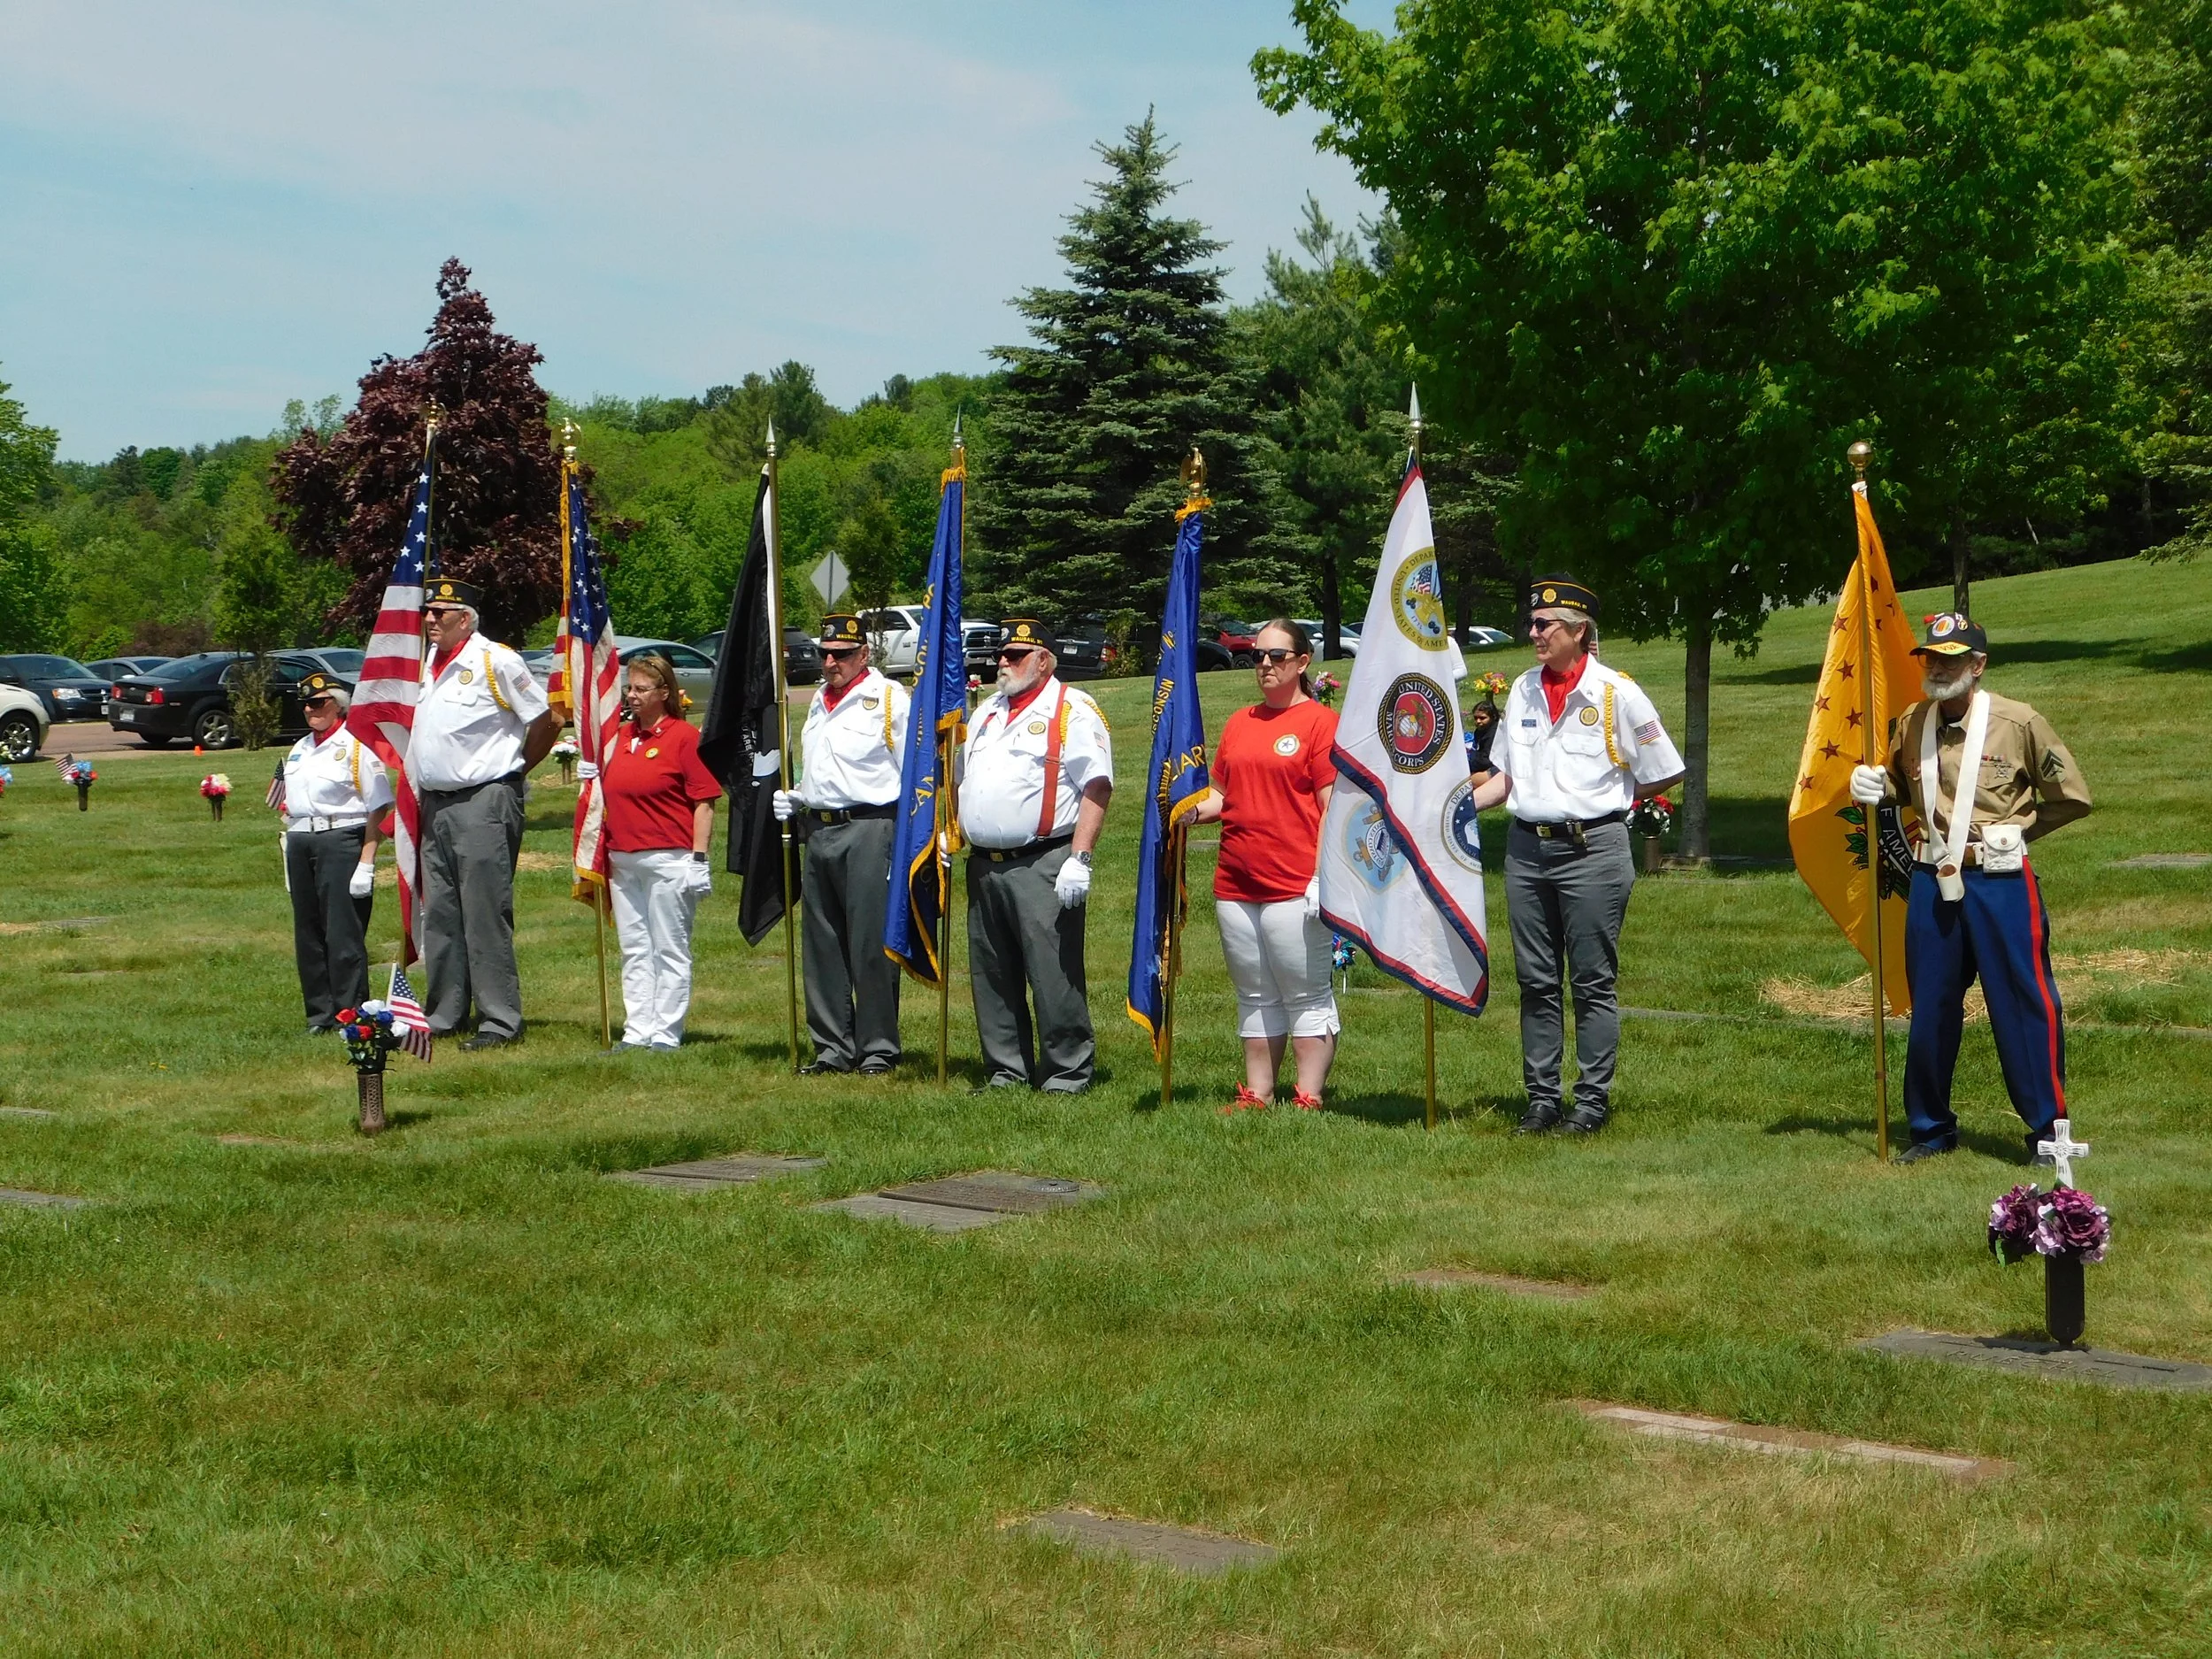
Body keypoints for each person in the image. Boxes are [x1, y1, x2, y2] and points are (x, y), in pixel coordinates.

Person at [1850, 613, 2093, 1165]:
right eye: (1931, 658)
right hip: (1931, 877)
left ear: (1978, 666)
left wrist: (2022, 829)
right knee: (1930, 1004)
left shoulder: (2018, 722)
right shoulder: (1911, 721)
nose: (1939, 668)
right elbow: (1898, 784)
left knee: (2022, 1000)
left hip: (2001, 881)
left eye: (1953, 659)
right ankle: (1930, 1129)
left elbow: (2072, 796)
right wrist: (1875, 786)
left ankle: (2046, 1133)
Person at [1469, 576, 1684, 1134]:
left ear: (1578, 631)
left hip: (1593, 851)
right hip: (1526, 852)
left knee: (1591, 981)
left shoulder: (1617, 693)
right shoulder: (1521, 690)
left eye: (1545, 625)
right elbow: (1504, 777)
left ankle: (1591, 1103)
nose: (1533, 632)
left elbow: (1663, 770)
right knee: (1536, 980)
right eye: (1533, 624)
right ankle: (1541, 1099)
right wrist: (1456, 807)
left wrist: (1597, 806)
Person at [956, 618, 1113, 1093]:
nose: (1004, 662)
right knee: (992, 971)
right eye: (1002, 655)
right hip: (984, 863)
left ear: (1044, 660)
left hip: (1043, 861)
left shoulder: (1073, 710)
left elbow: (1097, 786)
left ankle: (1067, 1070)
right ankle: (1007, 1069)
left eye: (1016, 656)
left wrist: (1079, 858)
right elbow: (962, 779)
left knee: (1052, 972)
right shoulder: (985, 712)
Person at [1190, 618, 1340, 1112]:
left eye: (1277, 656)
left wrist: (1323, 875)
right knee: (1254, 992)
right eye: (1258, 656)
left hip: (1295, 881)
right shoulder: (1239, 722)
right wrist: (1187, 811)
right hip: (1236, 880)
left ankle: (1308, 1095)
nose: (1266, 665)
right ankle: (1258, 1093)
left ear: (1302, 662)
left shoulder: (1320, 722)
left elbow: (1330, 807)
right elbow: (1222, 795)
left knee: (1304, 993)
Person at [409, 576, 557, 1050]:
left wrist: (512, 771)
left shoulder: (496, 660)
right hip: (436, 803)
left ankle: (499, 1019)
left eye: (440, 613)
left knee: (484, 912)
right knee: (442, 914)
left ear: (465, 619)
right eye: (428, 612)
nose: (430, 620)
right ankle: (445, 1012)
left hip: (483, 799)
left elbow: (547, 719)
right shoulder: (429, 663)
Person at [772, 615, 911, 1075]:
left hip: (871, 828)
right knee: (823, 944)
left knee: (869, 943)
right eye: (824, 653)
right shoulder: (817, 700)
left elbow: (913, 774)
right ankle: (831, 1048)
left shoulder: (889, 699)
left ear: (863, 655)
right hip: (820, 830)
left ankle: (877, 1048)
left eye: (842, 654)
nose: (831, 662)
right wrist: (800, 797)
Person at [602, 653, 721, 1051]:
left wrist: (698, 860)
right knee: (634, 949)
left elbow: (705, 801)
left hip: (669, 858)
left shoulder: (683, 738)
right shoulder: (619, 737)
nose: (632, 696)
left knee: (669, 948)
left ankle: (666, 1032)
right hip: (623, 858)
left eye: (641, 689)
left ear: (664, 692)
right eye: (629, 689)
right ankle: (637, 1030)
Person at [278, 672, 393, 1033]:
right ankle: (319, 1015)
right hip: (301, 840)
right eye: (305, 705)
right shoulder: (301, 748)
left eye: (318, 703)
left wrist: (366, 862)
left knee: (342, 934)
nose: (310, 711)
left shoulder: (356, 745)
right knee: (308, 934)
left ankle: (351, 1012)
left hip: (340, 838)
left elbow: (379, 806)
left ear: (338, 705)